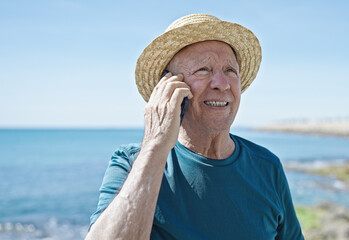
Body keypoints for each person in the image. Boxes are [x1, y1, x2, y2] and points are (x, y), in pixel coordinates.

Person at [86, 14, 304, 240]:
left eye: (231, 71)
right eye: (203, 70)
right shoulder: (131, 163)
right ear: (168, 88)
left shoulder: (267, 166)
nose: (222, 83)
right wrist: (155, 146)